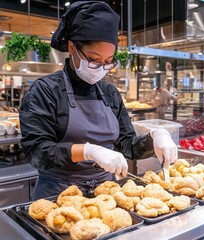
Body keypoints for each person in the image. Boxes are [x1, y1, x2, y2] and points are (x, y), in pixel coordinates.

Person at [20, 0, 178, 200]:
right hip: (58, 196)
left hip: (106, 196)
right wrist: (88, 151)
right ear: (72, 47)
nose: (101, 67)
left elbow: (126, 144)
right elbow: (38, 153)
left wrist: (155, 138)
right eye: (94, 59)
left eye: (108, 61)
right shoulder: (45, 91)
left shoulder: (109, 92)